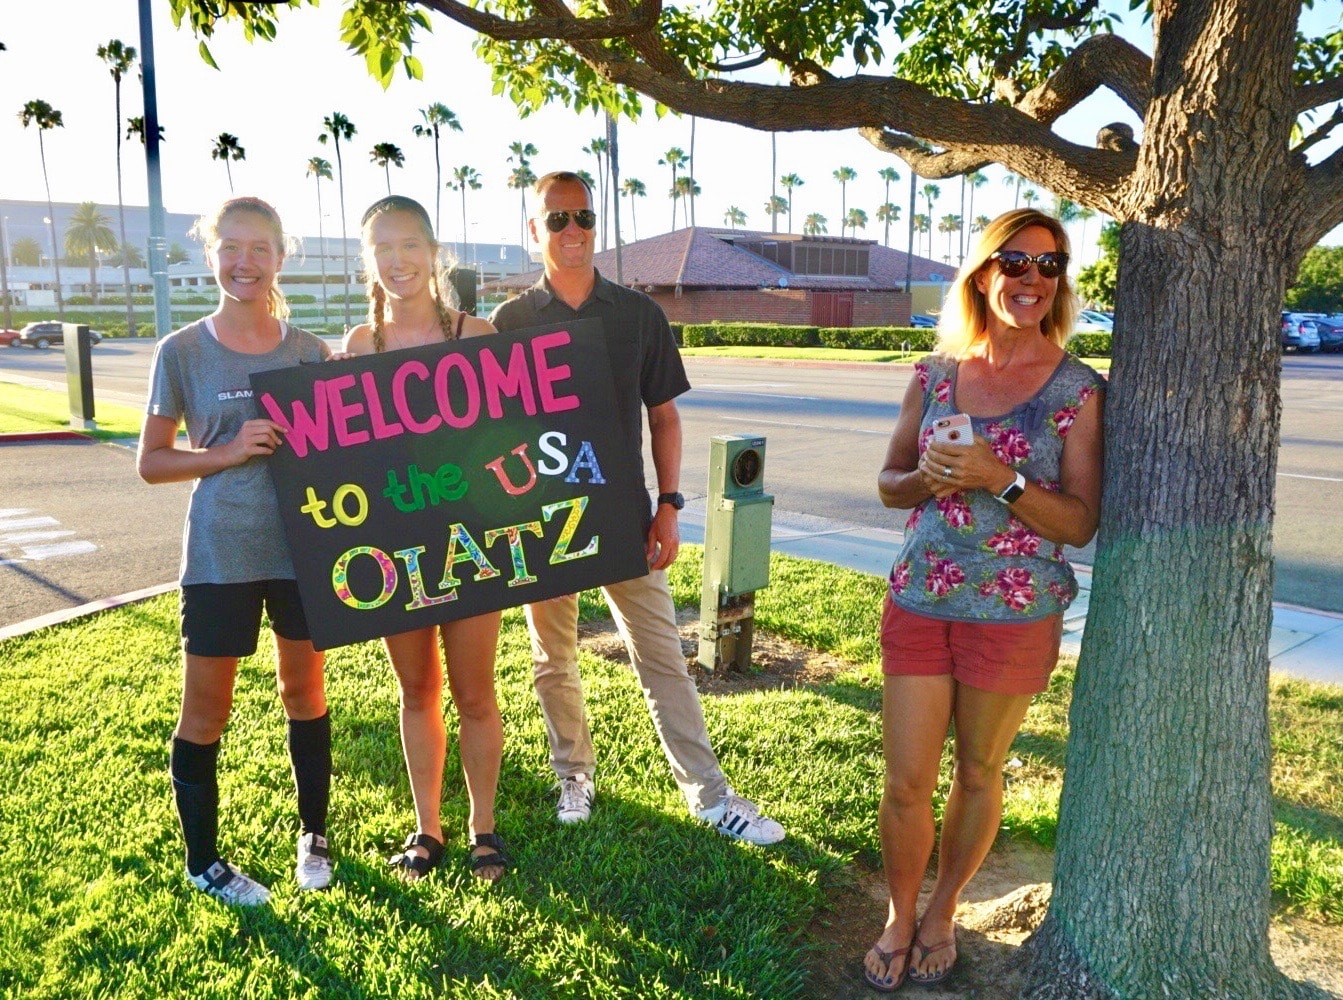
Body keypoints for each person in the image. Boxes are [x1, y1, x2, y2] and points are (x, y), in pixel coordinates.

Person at [489, 170, 785, 845]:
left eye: (583, 217)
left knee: (660, 656)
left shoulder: (636, 315)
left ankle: (709, 796)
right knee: (551, 657)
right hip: (545, 523)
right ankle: (573, 773)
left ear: (597, 225)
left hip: (623, 517)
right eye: (556, 219)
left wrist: (670, 506)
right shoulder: (510, 323)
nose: (572, 231)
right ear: (533, 231)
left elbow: (665, 419)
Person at [865, 208, 1104, 991]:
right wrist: (929, 478)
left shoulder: (1077, 390)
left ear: (1059, 282)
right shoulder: (935, 375)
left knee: (978, 770)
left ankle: (943, 910)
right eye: (1013, 261)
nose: (1030, 279)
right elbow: (888, 483)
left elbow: (1079, 519)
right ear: (981, 272)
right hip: (922, 597)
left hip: (1014, 611)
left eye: (1048, 266)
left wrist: (995, 479)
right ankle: (899, 915)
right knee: (904, 780)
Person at [137, 196, 335, 906]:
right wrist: (224, 453)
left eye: (258, 248)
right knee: (206, 711)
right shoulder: (182, 351)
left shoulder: (309, 351)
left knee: (303, 692)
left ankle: (314, 835)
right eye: (230, 247)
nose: (243, 262)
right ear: (210, 253)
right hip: (220, 555)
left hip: (303, 552)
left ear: (281, 257)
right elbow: (152, 463)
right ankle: (204, 862)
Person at [344, 195, 509, 881]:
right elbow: (341, 453)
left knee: (473, 692)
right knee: (416, 691)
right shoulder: (358, 346)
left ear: (433, 252)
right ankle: (427, 829)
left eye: (409, 243)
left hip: (469, 541)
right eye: (383, 247)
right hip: (392, 548)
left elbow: (510, 446)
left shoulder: (478, 336)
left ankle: (483, 830)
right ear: (369, 260)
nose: (397, 259)